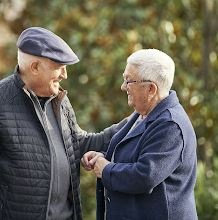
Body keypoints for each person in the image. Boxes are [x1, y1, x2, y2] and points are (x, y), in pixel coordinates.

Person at [0, 27, 129, 220]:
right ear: (35, 67)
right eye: (59, 67)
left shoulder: (59, 100)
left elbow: (78, 144)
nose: (64, 75)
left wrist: (133, 121)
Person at [81, 49, 198, 220]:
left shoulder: (171, 126)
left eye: (129, 81)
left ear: (151, 88)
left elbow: (145, 175)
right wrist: (104, 157)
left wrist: (106, 169)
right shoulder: (142, 113)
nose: (123, 87)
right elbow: (136, 157)